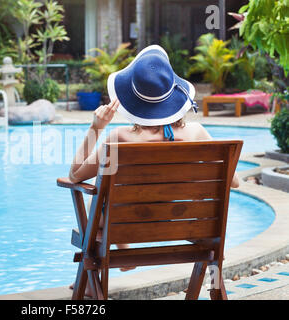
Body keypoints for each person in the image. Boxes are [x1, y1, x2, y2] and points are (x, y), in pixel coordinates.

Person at [68, 45, 240, 275]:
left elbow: (74, 175)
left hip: (125, 226)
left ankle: (95, 278)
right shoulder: (197, 133)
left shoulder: (119, 139)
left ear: (133, 102)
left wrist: (96, 128)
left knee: (97, 199)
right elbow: (234, 182)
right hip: (186, 223)